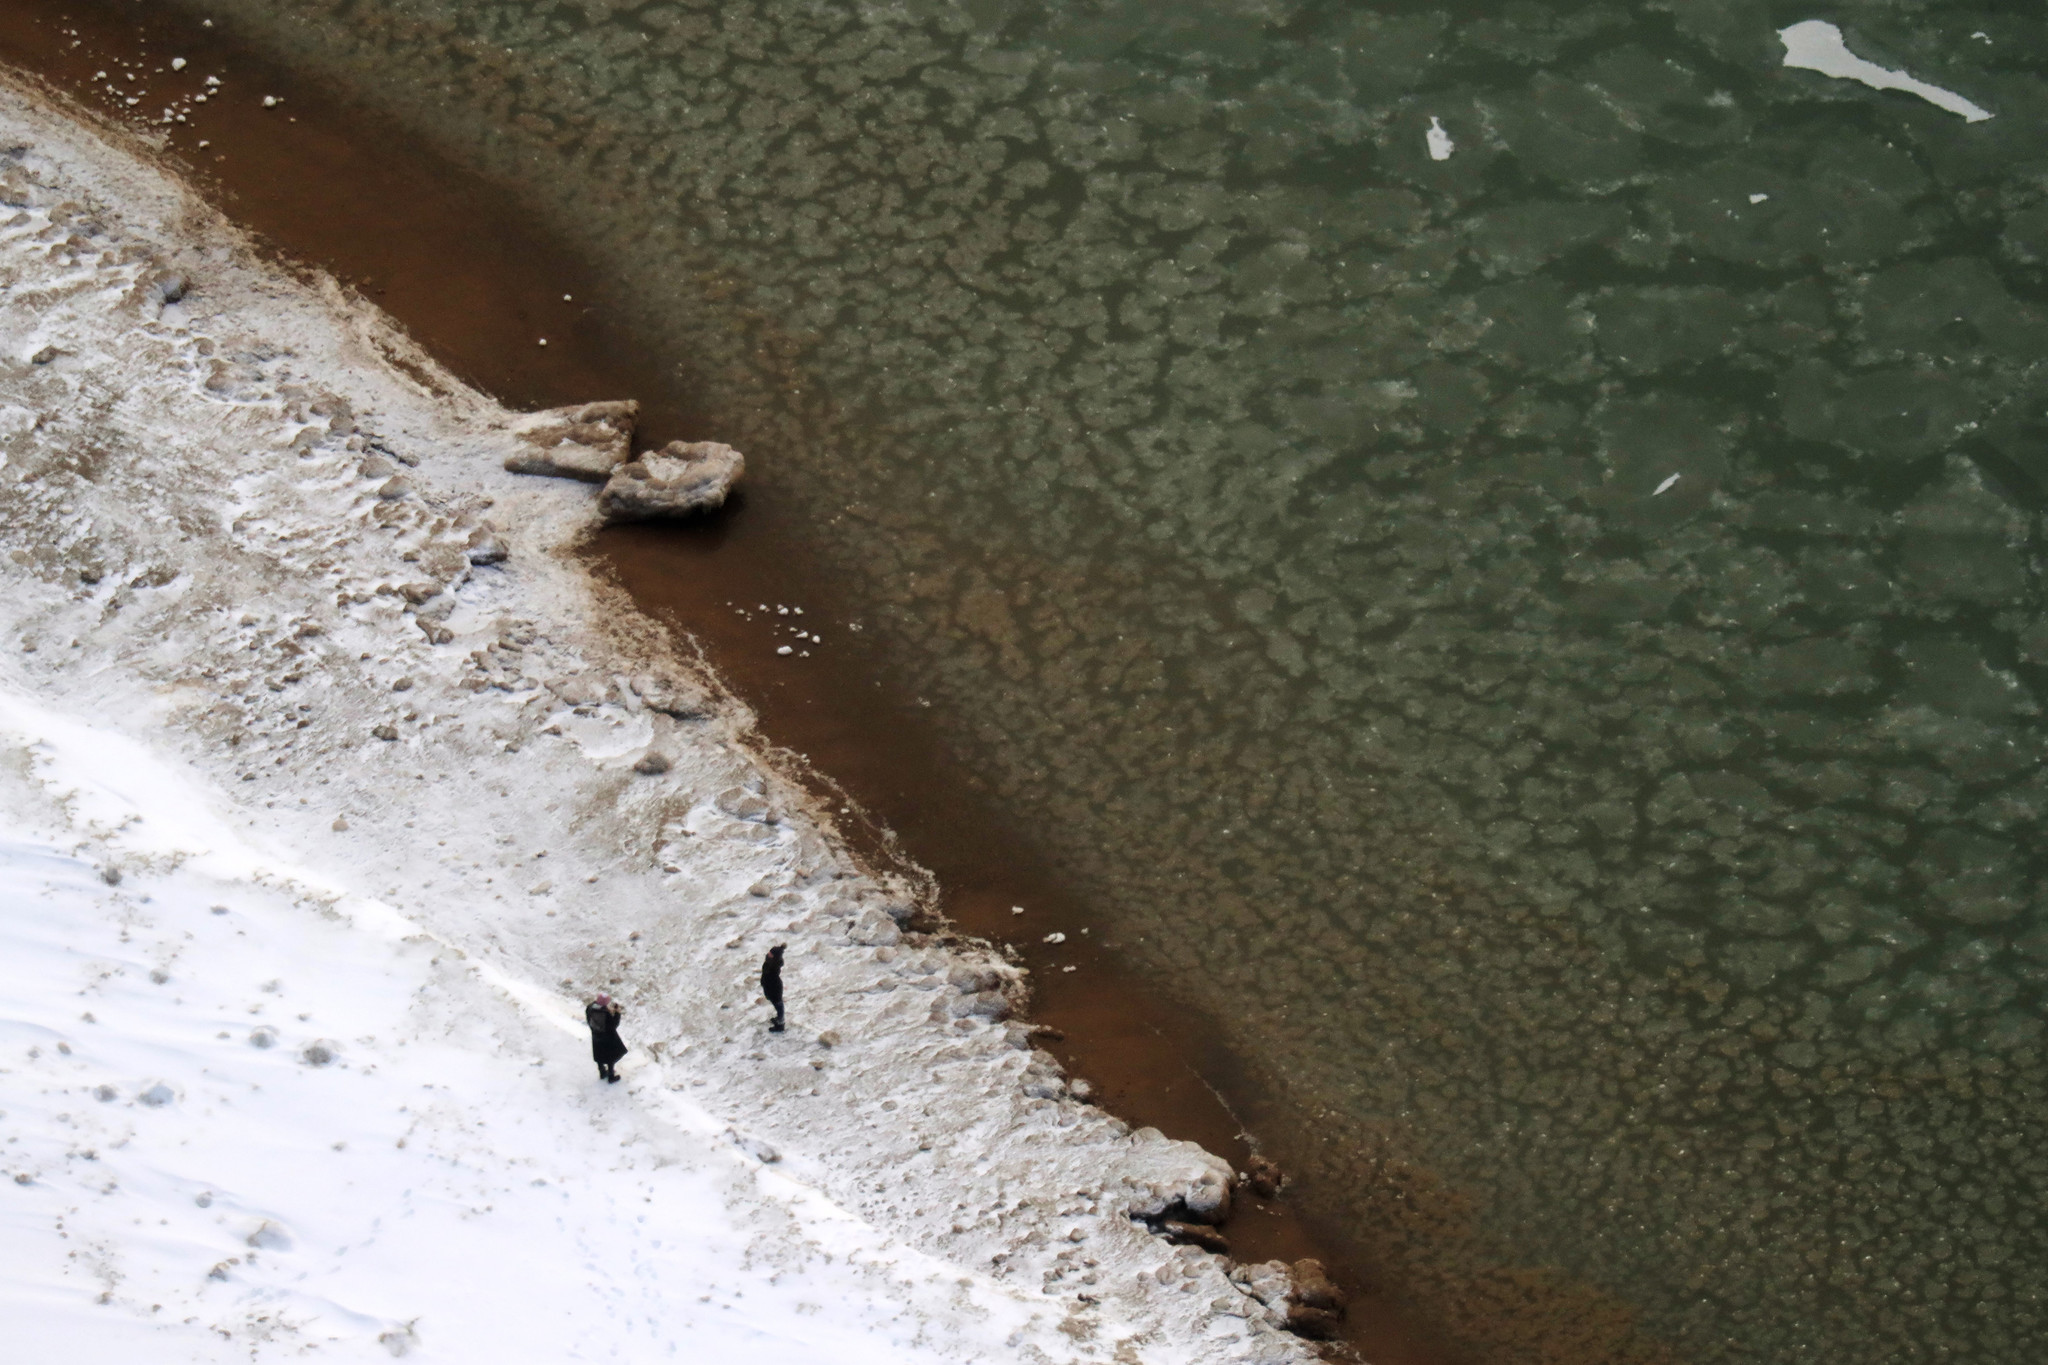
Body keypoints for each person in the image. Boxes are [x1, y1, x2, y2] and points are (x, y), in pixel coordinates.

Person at [585, 993, 626, 1082]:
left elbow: (589, 1020)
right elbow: (613, 1025)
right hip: (607, 1038)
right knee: (610, 1057)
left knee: (599, 1055)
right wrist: (617, 1013)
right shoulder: (605, 1013)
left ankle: (602, 1072)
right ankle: (611, 1076)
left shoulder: (590, 1008)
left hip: (596, 1036)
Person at [760, 945, 786, 1033]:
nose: (768, 954)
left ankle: (780, 1024)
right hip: (770, 987)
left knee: (778, 1005)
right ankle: (779, 1018)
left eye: (771, 953)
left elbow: (769, 976)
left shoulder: (773, 965)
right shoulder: (770, 962)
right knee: (776, 1004)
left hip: (774, 988)